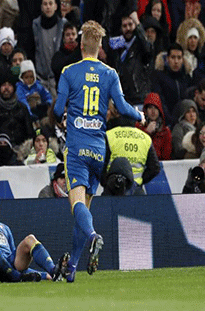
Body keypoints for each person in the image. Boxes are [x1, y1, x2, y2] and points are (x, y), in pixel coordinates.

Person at [53, 21, 144, 282]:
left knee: (77, 207)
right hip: (98, 150)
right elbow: (124, 108)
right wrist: (141, 116)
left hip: (77, 149)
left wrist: (64, 115)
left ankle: (94, 237)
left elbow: (58, 110)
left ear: (81, 45)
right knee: (85, 212)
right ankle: (72, 269)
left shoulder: (69, 72)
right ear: (100, 46)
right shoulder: (110, 73)